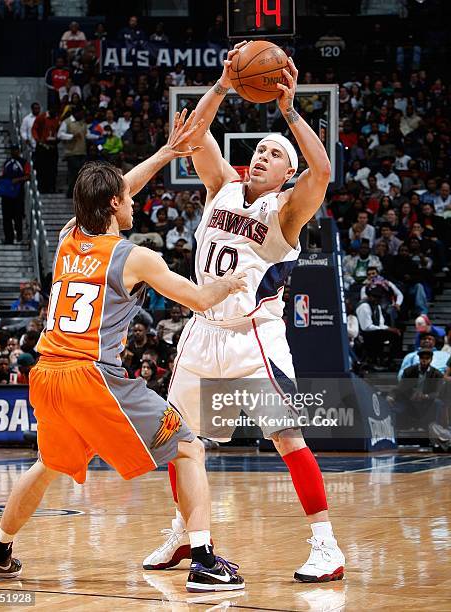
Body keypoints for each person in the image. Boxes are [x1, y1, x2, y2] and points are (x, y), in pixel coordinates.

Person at [0, 110, 246, 592]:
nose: (134, 204)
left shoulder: (65, 239)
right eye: (127, 199)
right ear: (116, 203)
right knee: (188, 446)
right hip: (91, 375)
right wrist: (233, 282)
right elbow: (201, 300)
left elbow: (113, 191)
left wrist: (165, 153)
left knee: (48, 464)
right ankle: (203, 560)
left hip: (47, 373)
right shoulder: (136, 257)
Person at [143, 46, 345, 583]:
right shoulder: (220, 187)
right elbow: (192, 134)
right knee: (178, 437)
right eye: (258, 149)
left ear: (287, 172)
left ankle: (326, 545)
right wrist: (225, 84)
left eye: (274, 153)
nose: (262, 155)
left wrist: (289, 114)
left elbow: (322, 171)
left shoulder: (286, 211)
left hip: (256, 338)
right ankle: (186, 533)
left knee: (288, 439)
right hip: (203, 330)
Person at [1, 145, 30, 244]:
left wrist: (17, 180)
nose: (14, 152)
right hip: (6, 194)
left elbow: (28, 176)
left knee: (18, 216)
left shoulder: (23, 162)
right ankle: (9, 238)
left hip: (18, 194)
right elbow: (3, 175)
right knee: (6, 217)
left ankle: (19, 237)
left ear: (19, 151)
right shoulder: (7, 162)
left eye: (16, 150)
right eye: (13, 150)